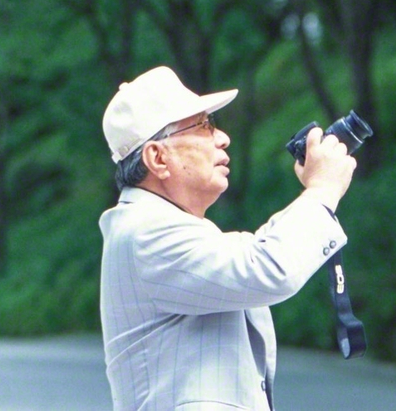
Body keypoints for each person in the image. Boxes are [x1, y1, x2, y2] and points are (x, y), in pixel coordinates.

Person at [99, 65, 357, 410]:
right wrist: (322, 190)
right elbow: (266, 268)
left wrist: (317, 194)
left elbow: (256, 253)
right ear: (158, 158)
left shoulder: (157, 227)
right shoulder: (145, 231)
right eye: (204, 126)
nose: (222, 137)